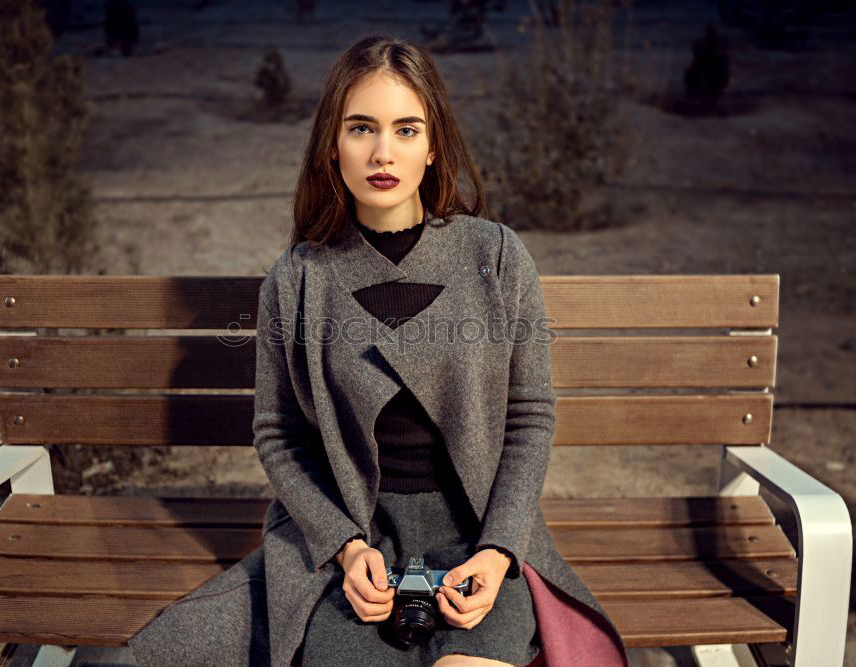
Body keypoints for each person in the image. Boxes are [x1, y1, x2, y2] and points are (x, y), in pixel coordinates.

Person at [127, 33, 629, 667]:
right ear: (332, 148)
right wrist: (343, 546)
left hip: (476, 531)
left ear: (433, 146)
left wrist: (500, 550)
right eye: (361, 128)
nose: (383, 152)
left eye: (407, 129)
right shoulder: (298, 279)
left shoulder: (495, 257)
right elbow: (278, 434)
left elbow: (530, 417)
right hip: (360, 543)